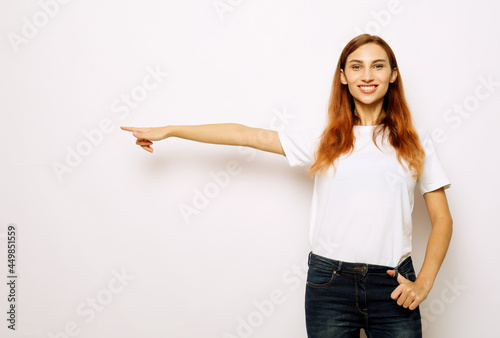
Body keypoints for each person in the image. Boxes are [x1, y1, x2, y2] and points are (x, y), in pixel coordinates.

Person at [121, 34, 453, 338]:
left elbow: (442, 220)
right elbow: (246, 135)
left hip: (393, 284)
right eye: (356, 66)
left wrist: (423, 282)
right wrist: (169, 130)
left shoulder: (415, 142)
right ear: (343, 76)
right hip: (330, 284)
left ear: (392, 75)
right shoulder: (326, 141)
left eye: (377, 66)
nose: (367, 75)